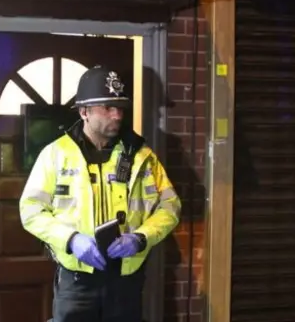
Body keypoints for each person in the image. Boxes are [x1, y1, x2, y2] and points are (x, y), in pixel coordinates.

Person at [19, 65, 181, 322]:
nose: (117, 115)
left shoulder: (141, 156)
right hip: (77, 280)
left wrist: (140, 238)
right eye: (107, 108)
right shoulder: (55, 154)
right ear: (84, 112)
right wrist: (71, 240)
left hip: (126, 278)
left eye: (119, 108)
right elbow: (31, 210)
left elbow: (170, 205)